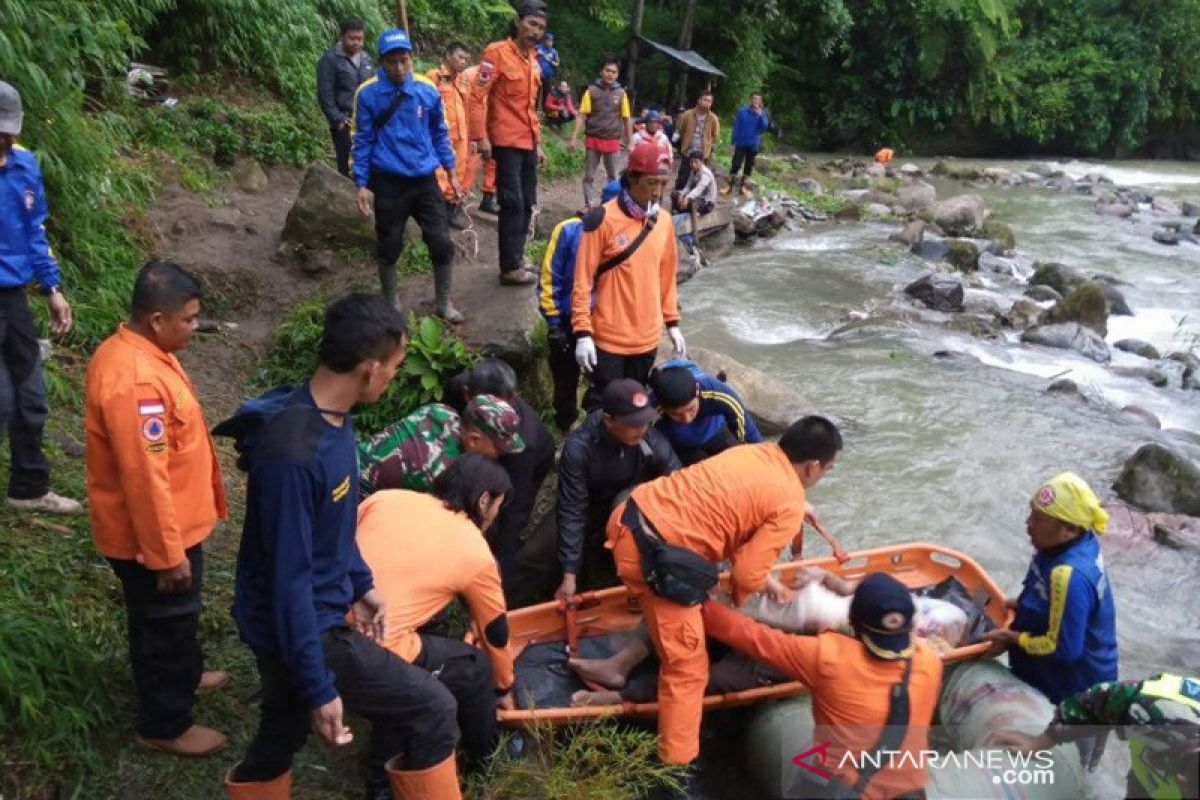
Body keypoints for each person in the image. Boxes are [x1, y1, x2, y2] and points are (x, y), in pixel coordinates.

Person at [218, 294, 461, 800]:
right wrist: (320, 682)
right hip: (305, 626)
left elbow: (336, 523)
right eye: (394, 368)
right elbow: (289, 583)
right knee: (433, 706)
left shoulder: (335, 418)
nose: (393, 377)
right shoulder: (291, 457)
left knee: (281, 731)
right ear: (370, 369)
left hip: (316, 609)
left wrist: (361, 583)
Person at [606, 416, 841, 770]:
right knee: (688, 669)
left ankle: (617, 666)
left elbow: (735, 518)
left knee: (685, 608)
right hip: (654, 557)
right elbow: (746, 575)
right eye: (827, 470)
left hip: (629, 517)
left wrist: (764, 580)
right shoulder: (790, 503)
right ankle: (676, 769)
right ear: (811, 467)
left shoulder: (753, 453)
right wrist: (759, 587)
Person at [84, 260, 228, 757]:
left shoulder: (142, 351)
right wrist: (167, 555)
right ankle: (164, 724)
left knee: (172, 620)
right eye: (188, 319)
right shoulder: (138, 381)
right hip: (154, 542)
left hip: (172, 528)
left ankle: (182, 675)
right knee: (164, 623)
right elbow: (146, 479)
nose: (194, 327)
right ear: (156, 321)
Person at [702, 573, 943, 799]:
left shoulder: (829, 657)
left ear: (853, 622)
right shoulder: (930, 662)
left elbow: (755, 638)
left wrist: (701, 604)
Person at [355, 456, 516, 773]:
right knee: (474, 667)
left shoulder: (386, 498)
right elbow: (495, 632)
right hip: (374, 647)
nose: (495, 517)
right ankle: (483, 758)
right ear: (484, 500)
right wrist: (504, 688)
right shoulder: (475, 550)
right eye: (498, 507)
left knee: (435, 625)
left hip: (326, 622)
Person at [0, 81, 82, 517]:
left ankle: (29, 487)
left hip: (12, 297)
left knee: (30, 394)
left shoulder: (25, 166)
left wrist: (52, 289)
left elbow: (35, 232)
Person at [352, 29, 462, 324]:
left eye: (404, 61)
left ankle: (443, 303)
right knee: (389, 244)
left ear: (411, 58)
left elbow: (440, 132)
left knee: (440, 239)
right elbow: (361, 140)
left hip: (425, 180)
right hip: (389, 182)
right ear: (381, 61)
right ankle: (391, 303)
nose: (399, 68)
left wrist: (451, 171)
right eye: (392, 62)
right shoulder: (368, 93)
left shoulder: (427, 90)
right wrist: (361, 184)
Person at [980, 472, 1118, 704]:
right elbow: (1050, 596)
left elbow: (1063, 651)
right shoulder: (1058, 544)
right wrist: (1021, 604)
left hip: (1075, 691)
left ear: (1070, 529)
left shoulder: (1070, 575)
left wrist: (1010, 637)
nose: (1028, 525)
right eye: (1031, 513)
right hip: (1049, 672)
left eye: (1039, 519)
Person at [571, 141, 684, 411]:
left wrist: (672, 323)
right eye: (651, 183)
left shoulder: (664, 222)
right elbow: (583, 281)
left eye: (663, 184)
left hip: (646, 337)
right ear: (631, 177)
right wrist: (582, 332)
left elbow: (666, 276)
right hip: (609, 337)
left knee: (635, 406)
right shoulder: (602, 219)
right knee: (605, 407)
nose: (657, 192)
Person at [556, 379, 680, 600]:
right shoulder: (579, 449)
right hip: (590, 505)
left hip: (632, 506)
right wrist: (569, 573)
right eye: (633, 424)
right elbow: (572, 508)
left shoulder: (652, 441)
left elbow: (680, 486)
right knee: (536, 555)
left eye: (645, 422)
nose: (642, 429)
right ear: (608, 420)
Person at [442, 359, 556, 590]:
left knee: (502, 514)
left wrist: (498, 573)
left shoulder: (523, 444)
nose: (503, 410)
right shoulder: (460, 388)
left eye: (507, 402)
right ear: (468, 396)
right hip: (481, 444)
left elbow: (516, 511)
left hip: (531, 460)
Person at [995, 674, 1200, 800]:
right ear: (1183, 781)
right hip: (1150, 779)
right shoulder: (1152, 711)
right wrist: (1042, 741)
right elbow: (1096, 701)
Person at [469, 1, 548, 286]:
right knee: (512, 202)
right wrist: (481, 136)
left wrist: (538, 143)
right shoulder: (496, 53)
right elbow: (477, 96)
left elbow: (530, 107)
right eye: (531, 24)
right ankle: (509, 267)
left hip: (527, 141)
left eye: (540, 27)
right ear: (518, 22)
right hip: (504, 140)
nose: (535, 31)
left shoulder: (534, 60)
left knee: (528, 202)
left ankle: (518, 256)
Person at [537, 178, 622, 434]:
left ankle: (598, 429)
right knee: (565, 380)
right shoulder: (568, 230)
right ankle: (565, 426)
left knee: (604, 383)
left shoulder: (627, 236)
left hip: (605, 326)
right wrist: (553, 324)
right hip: (567, 321)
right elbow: (551, 277)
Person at [357, 394, 524, 496]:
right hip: (357, 494)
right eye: (499, 449)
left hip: (351, 457)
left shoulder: (442, 411)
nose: (501, 456)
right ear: (474, 439)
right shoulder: (442, 471)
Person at [648, 360, 762, 465]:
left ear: (698, 391)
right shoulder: (651, 409)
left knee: (739, 463)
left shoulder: (715, 390)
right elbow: (652, 445)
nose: (687, 419)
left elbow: (745, 426)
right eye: (676, 414)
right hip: (681, 446)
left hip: (716, 432)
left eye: (691, 409)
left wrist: (761, 458)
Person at [570, 58, 633, 208]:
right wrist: (573, 138)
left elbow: (626, 118)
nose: (610, 74)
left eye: (614, 72)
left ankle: (610, 205)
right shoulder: (591, 91)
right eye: (607, 71)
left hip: (612, 139)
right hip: (593, 138)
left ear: (617, 75)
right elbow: (582, 115)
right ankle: (589, 205)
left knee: (613, 176)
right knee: (589, 176)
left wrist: (630, 141)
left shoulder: (621, 93)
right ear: (601, 72)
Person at [316, 16, 374, 178]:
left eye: (360, 39)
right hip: (345, 122)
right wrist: (338, 120)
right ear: (342, 37)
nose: (356, 43)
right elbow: (324, 94)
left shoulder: (366, 58)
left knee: (369, 163)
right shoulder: (330, 60)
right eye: (352, 38)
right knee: (347, 166)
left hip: (367, 121)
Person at [427, 42, 473, 231]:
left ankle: (451, 213)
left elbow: (467, 107)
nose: (463, 62)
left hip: (461, 135)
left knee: (459, 173)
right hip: (441, 135)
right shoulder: (434, 76)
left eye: (466, 59)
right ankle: (436, 216)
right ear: (448, 56)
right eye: (460, 57)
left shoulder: (463, 80)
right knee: (440, 175)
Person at [672, 92, 720, 194]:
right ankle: (678, 198)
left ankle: (693, 200)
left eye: (709, 101)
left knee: (700, 178)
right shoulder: (688, 114)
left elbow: (715, 135)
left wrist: (710, 149)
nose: (707, 103)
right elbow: (681, 129)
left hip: (703, 153)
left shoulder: (713, 118)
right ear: (699, 100)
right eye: (705, 100)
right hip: (688, 150)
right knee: (683, 177)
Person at [724, 92, 769, 197]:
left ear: (760, 102)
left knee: (748, 166)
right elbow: (736, 126)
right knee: (736, 164)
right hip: (741, 142)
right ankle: (729, 186)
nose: (756, 101)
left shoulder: (762, 114)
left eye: (758, 99)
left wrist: (761, 116)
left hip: (753, 144)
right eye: (754, 99)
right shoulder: (742, 111)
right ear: (751, 100)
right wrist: (733, 140)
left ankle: (743, 187)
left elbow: (764, 128)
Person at [672, 149, 717, 215]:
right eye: (691, 162)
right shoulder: (693, 171)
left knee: (691, 204)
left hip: (706, 201)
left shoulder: (706, 174)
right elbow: (688, 186)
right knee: (675, 194)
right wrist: (682, 194)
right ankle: (678, 211)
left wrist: (687, 197)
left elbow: (699, 189)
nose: (693, 164)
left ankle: (681, 212)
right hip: (697, 197)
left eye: (696, 162)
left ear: (702, 161)